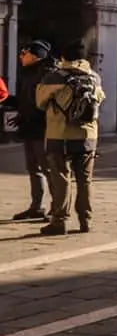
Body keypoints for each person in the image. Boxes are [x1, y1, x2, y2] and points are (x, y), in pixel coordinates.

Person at [36, 39, 104, 236]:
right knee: (85, 180)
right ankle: (85, 220)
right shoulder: (94, 77)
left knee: (61, 178)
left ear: (63, 56)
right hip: (88, 136)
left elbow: (40, 102)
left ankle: (59, 221)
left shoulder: (54, 76)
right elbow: (99, 99)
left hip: (59, 135)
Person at [11, 40, 54, 221]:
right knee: (33, 169)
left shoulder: (47, 74)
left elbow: (44, 104)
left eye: (24, 52)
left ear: (35, 55)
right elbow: (26, 100)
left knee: (49, 169)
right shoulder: (27, 74)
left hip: (43, 129)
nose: (21, 55)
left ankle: (56, 209)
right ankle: (36, 206)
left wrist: (30, 115)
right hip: (29, 128)